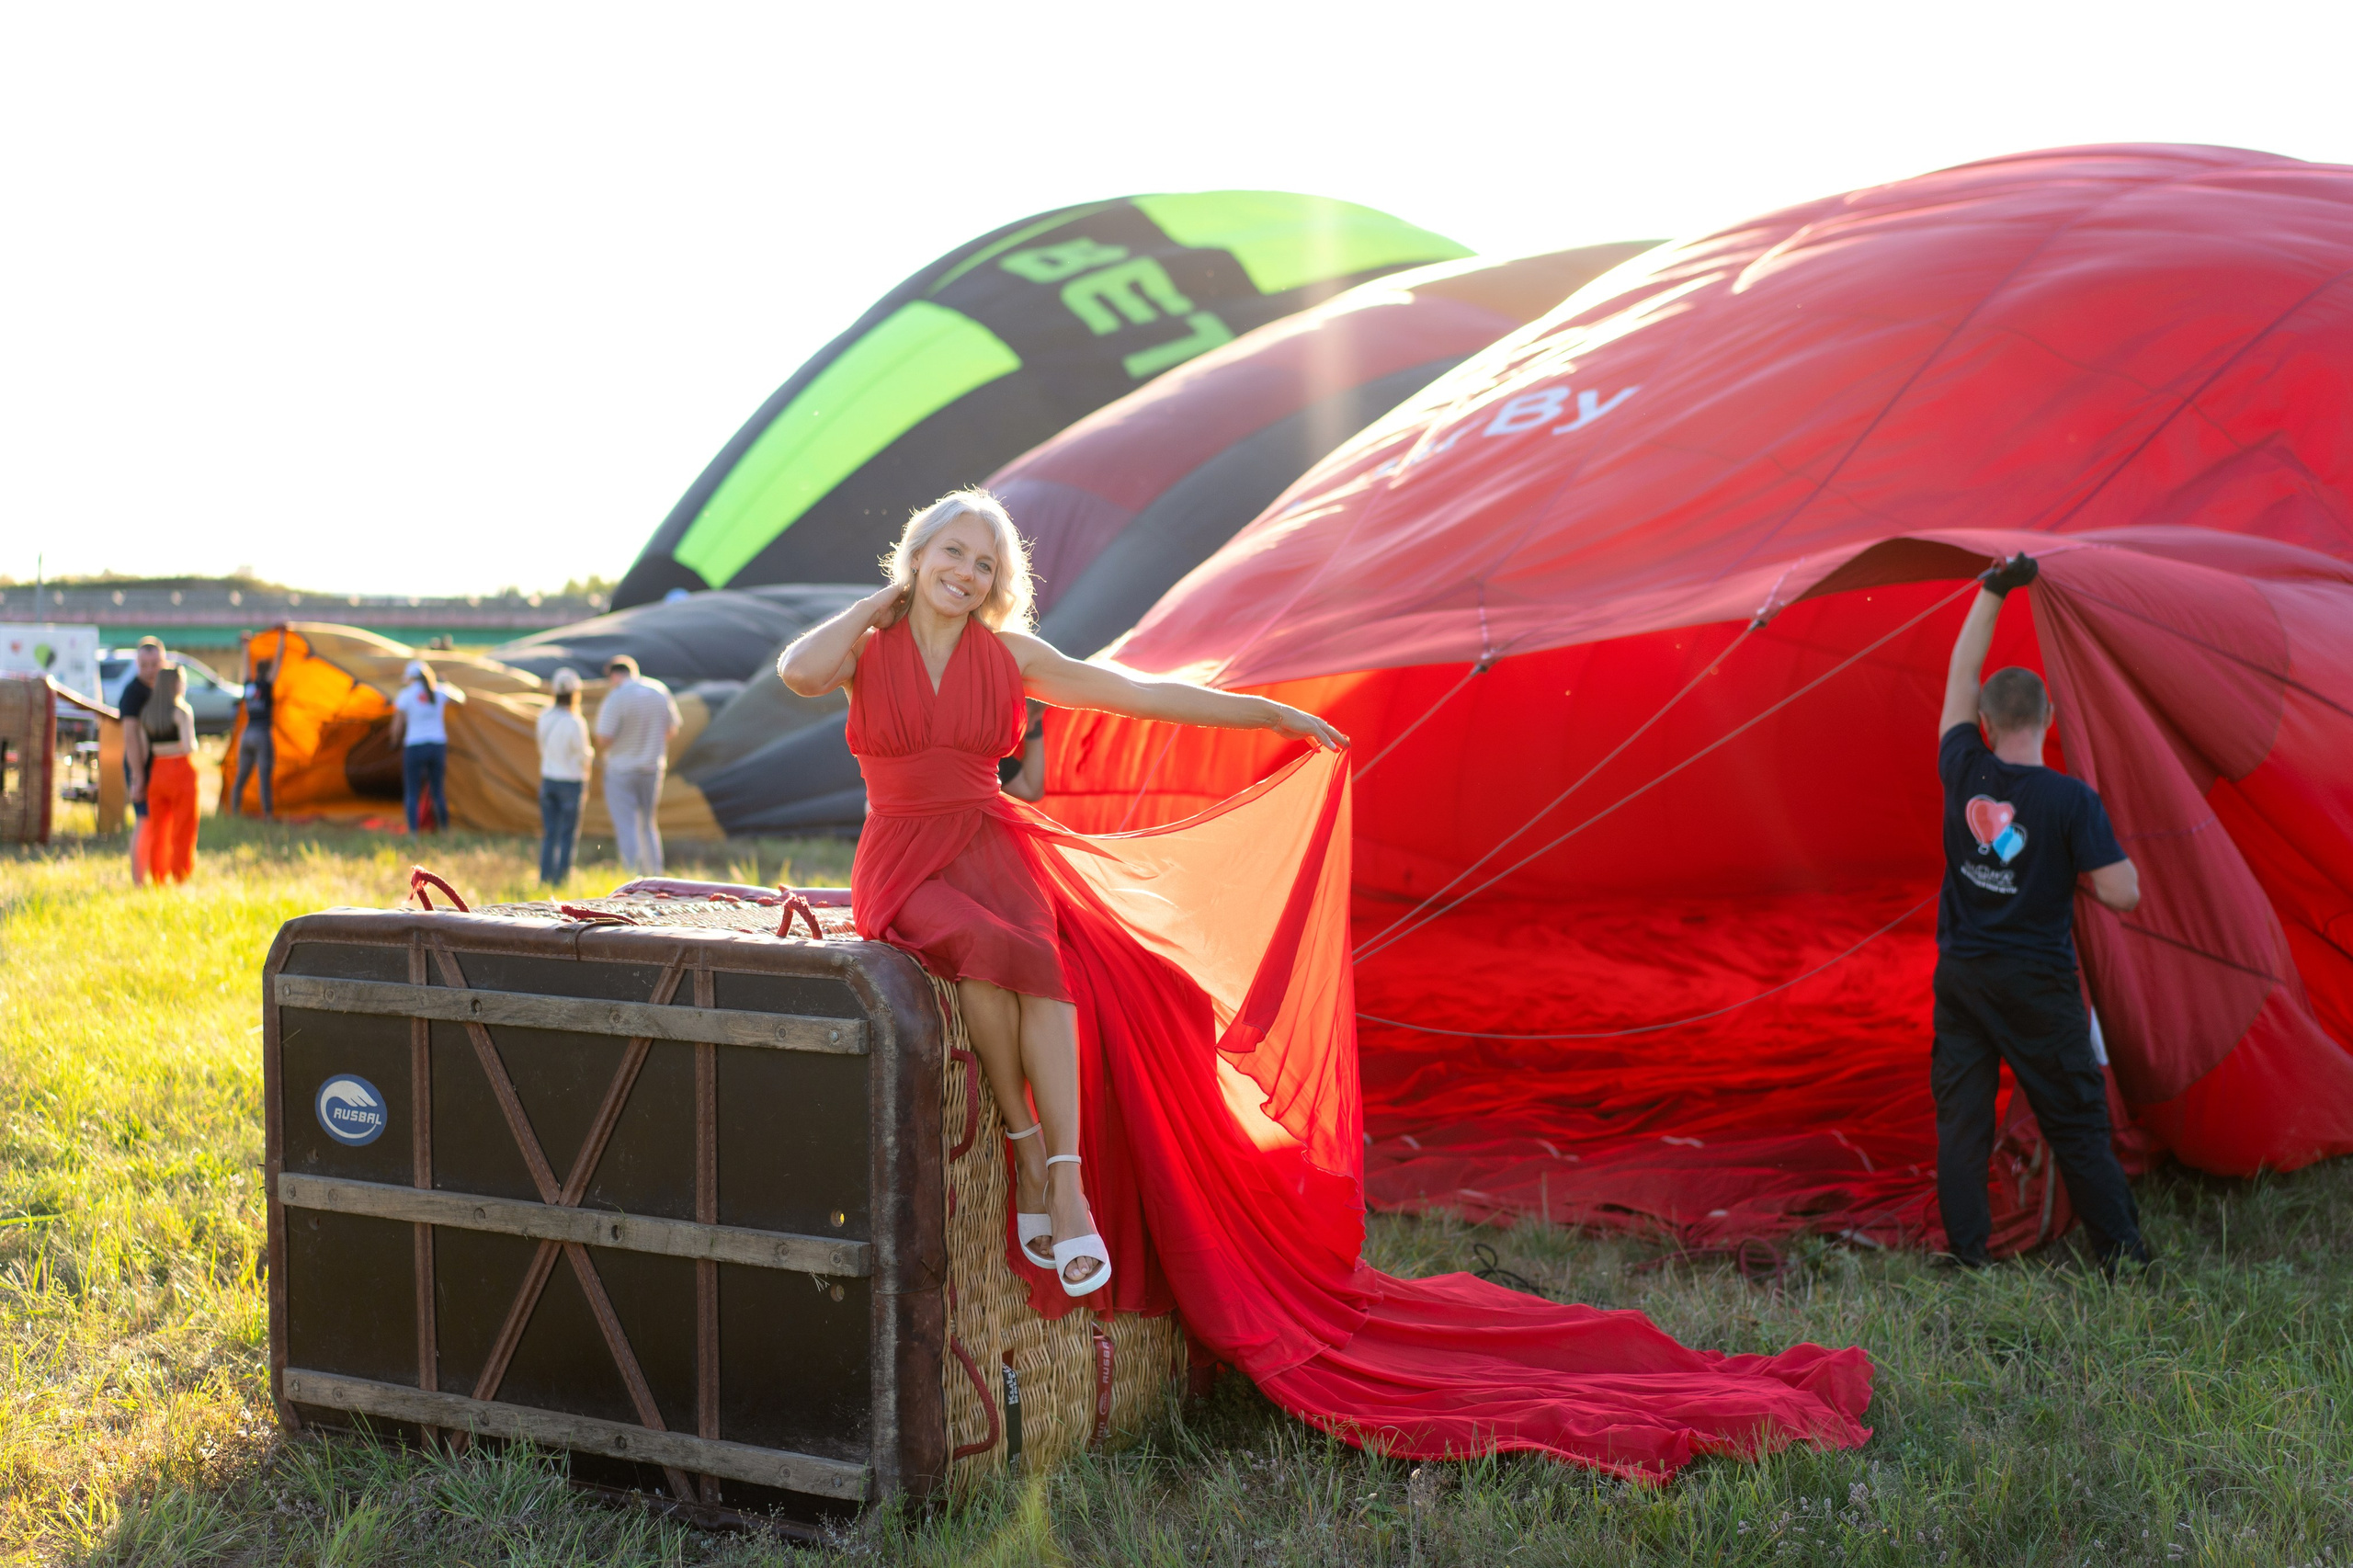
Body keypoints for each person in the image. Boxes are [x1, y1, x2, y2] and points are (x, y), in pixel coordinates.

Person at [778, 489, 1873, 1476]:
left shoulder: (1012, 659)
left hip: (995, 839)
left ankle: (1054, 1182)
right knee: (989, 953)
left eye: (982, 561)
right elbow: (795, 673)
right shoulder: (868, 649)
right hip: (907, 856)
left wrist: (1270, 716)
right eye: (948, 553)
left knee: (1045, 960)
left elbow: (1138, 690)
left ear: (999, 582)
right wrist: (878, 607)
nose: (964, 573)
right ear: (915, 555)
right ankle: (1025, 1156)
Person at [1933, 551, 2149, 1270]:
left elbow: (1963, 673)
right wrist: (2072, 870)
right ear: (2049, 717)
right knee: (2077, 1121)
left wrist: (1995, 589)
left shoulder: (1963, 766)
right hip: (2037, 983)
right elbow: (2122, 893)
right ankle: (2121, 1257)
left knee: (1962, 1119)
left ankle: (1967, 1256)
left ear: (1985, 722)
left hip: (1962, 974)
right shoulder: (2068, 801)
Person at [594, 654, 678, 875]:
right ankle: (655, 873)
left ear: (614, 674)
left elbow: (604, 737)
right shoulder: (659, 690)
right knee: (648, 824)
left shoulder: (617, 696)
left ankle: (632, 875)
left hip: (622, 769)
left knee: (627, 826)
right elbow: (672, 729)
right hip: (652, 767)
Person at [131, 664, 199, 884]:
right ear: (175, 684)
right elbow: (189, 745)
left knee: (159, 829)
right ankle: (180, 875)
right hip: (180, 770)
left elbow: (144, 751)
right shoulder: (181, 711)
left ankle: (158, 877)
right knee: (183, 827)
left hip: (156, 773)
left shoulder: (146, 713)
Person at [389, 659, 464, 834]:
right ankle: (444, 831)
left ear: (409, 678)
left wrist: (393, 742)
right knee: (437, 791)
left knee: (412, 791)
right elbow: (460, 699)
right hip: (437, 745)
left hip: (414, 746)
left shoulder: (405, 695)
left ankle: (413, 833)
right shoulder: (438, 691)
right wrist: (445, 684)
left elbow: (396, 726)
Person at [536, 667, 593, 885]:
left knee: (550, 833)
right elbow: (582, 754)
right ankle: (562, 878)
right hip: (571, 781)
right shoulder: (575, 722)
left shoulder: (544, 716)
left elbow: (541, 746)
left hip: (549, 778)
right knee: (567, 834)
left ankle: (545, 877)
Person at [118, 638, 163, 883]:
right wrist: (138, 775)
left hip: (160, 766)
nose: (150, 669)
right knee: (144, 821)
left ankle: (157, 876)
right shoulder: (133, 692)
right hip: (140, 765)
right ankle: (137, 882)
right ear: (137, 664)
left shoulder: (161, 688)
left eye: (154, 663)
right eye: (145, 664)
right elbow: (130, 737)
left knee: (157, 822)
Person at [232, 652, 276, 818]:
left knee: (241, 777)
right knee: (264, 779)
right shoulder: (267, 685)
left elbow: (245, 669)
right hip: (262, 734)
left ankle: (234, 813)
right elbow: (277, 663)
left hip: (247, 734)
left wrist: (245, 646)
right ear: (269, 671)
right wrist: (281, 638)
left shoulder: (250, 685)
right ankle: (268, 816)